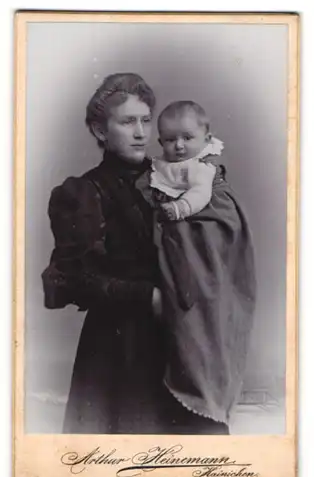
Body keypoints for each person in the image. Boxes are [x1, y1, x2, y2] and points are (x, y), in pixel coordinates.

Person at [42, 74, 230, 434]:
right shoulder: (83, 192)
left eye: (146, 119)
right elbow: (73, 279)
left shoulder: (174, 179)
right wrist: (149, 296)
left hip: (182, 340)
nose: (141, 132)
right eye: (128, 121)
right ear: (100, 130)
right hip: (119, 349)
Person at [149, 100, 257, 425]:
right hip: (176, 234)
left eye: (187, 138)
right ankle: (180, 395)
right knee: (177, 321)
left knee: (206, 311)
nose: (178, 145)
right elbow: (152, 185)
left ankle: (206, 397)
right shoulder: (162, 168)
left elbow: (198, 198)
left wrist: (177, 211)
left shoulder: (203, 169)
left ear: (206, 137)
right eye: (169, 140)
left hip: (199, 230)